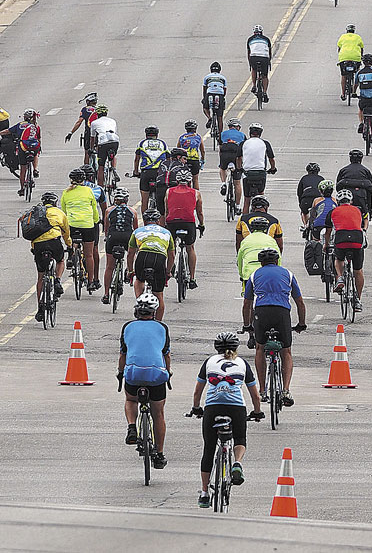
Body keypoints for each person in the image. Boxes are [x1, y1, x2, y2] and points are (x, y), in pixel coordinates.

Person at [191, 330, 264, 507]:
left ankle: (204, 492)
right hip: (236, 407)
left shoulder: (209, 362)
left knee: (209, 448)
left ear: (216, 348)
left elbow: (197, 391)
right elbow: (255, 395)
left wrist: (196, 408)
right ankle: (237, 463)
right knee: (240, 439)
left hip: (213, 407)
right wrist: (257, 411)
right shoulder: (242, 363)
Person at [244, 248, 307, 407]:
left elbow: (247, 304)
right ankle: (286, 389)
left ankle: (263, 390)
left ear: (261, 262)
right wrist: (301, 323)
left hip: (262, 312)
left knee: (260, 348)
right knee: (286, 350)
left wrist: (247, 326)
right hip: (281, 313)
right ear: (277, 261)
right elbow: (300, 302)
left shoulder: (254, 275)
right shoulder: (288, 274)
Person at [119, 292, 170, 470]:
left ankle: (132, 427)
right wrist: (168, 373)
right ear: (154, 312)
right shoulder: (162, 328)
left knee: (131, 399)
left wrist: (120, 373)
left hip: (134, 374)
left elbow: (123, 355)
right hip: (156, 376)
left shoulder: (127, 327)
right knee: (158, 414)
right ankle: (160, 454)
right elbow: (166, 355)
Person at [26, 191, 70, 322]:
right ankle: (57, 280)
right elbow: (66, 232)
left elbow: (31, 230)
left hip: (39, 245)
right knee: (61, 260)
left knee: (40, 276)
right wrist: (70, 245)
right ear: (55, 203)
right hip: (54, 242)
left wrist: (34, 248)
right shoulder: (59, 213)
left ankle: (40, 307)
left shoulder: (36, 213)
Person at [126, 208, 175, 321]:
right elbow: (171, 255)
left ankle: (140, 302)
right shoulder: (167, 232)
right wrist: (168, 271)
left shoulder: (137, 231)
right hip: (159, 258)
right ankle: (158, 323)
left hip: (143, 256)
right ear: (158, 221)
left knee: (139, 280)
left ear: (144, 220)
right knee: (159, 295)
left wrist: (130, 271)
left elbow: (130, 254)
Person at [60, 167, 102, 291]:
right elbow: (94, 209)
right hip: (87, 225)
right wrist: (95, 221)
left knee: (72, 241)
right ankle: (90, 281)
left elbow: (63, 210)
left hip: (72, 224)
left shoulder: (66, 192)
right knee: (89, 254)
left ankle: (72, 254)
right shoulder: (89, 191)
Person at [164, 168, 204, 289]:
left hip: (172, 222)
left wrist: (166, 223)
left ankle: (169, 270)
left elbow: (166, 211)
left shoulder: (168, 191)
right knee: (190, 248)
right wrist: (201, 225)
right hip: (188, 223)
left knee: (171, 248)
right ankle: (192, 277)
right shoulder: (196, 193)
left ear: (176, 180)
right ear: (189, 181)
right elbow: (199, 212)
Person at [102, 189, 139, 303]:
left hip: (113, 237)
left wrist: (107, 236)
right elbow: (136, 229)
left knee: (109, 267)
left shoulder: (109, 210)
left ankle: (106, 294)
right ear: (126, 199)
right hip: (127, 236)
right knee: (132, 254)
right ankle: (129, 270)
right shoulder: (133, 211)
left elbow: (106, 228)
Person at [331, 189, 366, 309]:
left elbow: (329, 230)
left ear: (338, 201)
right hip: (357, 239)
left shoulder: (334, 211)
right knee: (358, 270)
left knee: (339, 259)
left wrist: (325, 244)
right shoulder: (357, 210)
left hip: (341, 239)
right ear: (350, 200)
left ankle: (340, 277)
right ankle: (358, 300)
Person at [134, 126, 169, 213]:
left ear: (146, 135)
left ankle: (145, 223)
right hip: (160, 172)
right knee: (162, 200)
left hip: (146, 173)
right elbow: (169, 159)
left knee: (144, 201)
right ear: (157, 135)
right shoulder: (163, 144)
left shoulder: (142, 143)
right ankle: (162, 221)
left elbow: (137, 159)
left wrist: (135, 171)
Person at [239, 123, 276, 201]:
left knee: (247, 200)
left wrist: (239, 168)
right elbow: (271, 159)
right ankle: (262, 210)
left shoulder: (243, 143)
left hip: (247, 173)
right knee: (261, 195)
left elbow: (239, 158)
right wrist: (273, 168)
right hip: (261, 173)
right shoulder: (265, 143)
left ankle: (245, 213)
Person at [354, 54, 372, 148]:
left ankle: (361, 122)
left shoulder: (359, 73)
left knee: (360, 109)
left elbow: (355, 85)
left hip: (363, 98)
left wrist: (354, 93)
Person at [336, 148, 372, 220]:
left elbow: (338, 187)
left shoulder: (343, 170)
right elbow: (370, 191)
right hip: (361, 197)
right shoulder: (366, 171)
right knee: (365, 214)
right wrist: (370, 209)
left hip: (347, 196)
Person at [90, 104, 119, 187]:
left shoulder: (94, 123)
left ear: (97, 114)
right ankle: (113, 168)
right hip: (114, 140)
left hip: (103, 141)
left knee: (101, 166)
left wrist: (92, 149)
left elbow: (92, 138)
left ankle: (100, 187)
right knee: (113, 155)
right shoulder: (112, 121)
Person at [337, 23, 364, 100]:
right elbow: (361, 48)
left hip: (344, 57)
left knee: (343, 75)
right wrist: (361, 56)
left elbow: (339, 47)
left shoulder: (342, 37)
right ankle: (354, 91)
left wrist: (340, 57)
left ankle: (343, 94)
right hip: (356, 58)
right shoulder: (358, 37)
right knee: (357, 74)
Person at [176, 120, 205, 188]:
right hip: (195, 160)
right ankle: (196, 196)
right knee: (195, 179)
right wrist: (202, 159)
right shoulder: (198, 137)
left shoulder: (182, 137)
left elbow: (178, 149)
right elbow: (202, 150)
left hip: (184, 160)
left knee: (182, 178)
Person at [246, 26, 272, 101]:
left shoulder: (250, 39)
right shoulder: (266, 39)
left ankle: (254, 85)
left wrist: (250, 63)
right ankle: (264, 92)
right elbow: (269, 52)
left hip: (254, 57)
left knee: (254, 69)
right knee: (265, 76)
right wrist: (268, 61)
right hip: (264, 57)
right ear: (262, 32)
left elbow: (249, 52)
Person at [202, 60, 227, 129]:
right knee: (220, 117)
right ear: (220, 70)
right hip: (220, 94)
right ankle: (220, 136)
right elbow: (224, 90)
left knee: (205, 108)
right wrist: (222, 98)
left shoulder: (207, 77)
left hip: (210, 93)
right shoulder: (223, 78)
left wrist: (204, 98)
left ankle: (209, 117)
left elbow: (204, 88)